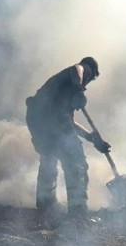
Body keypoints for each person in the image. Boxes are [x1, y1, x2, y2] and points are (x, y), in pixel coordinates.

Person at [25, 57, 110, 219]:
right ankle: (78, 212)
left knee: (49, 157)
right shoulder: (81, 71)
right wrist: (79, 89)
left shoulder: (65, 89)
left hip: (37, 117)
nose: (87, 83)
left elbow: (70, 122)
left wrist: (92, 138)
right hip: (52, 119)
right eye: (90, 79)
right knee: (76, 162)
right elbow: (78, 68)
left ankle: (45, 204)